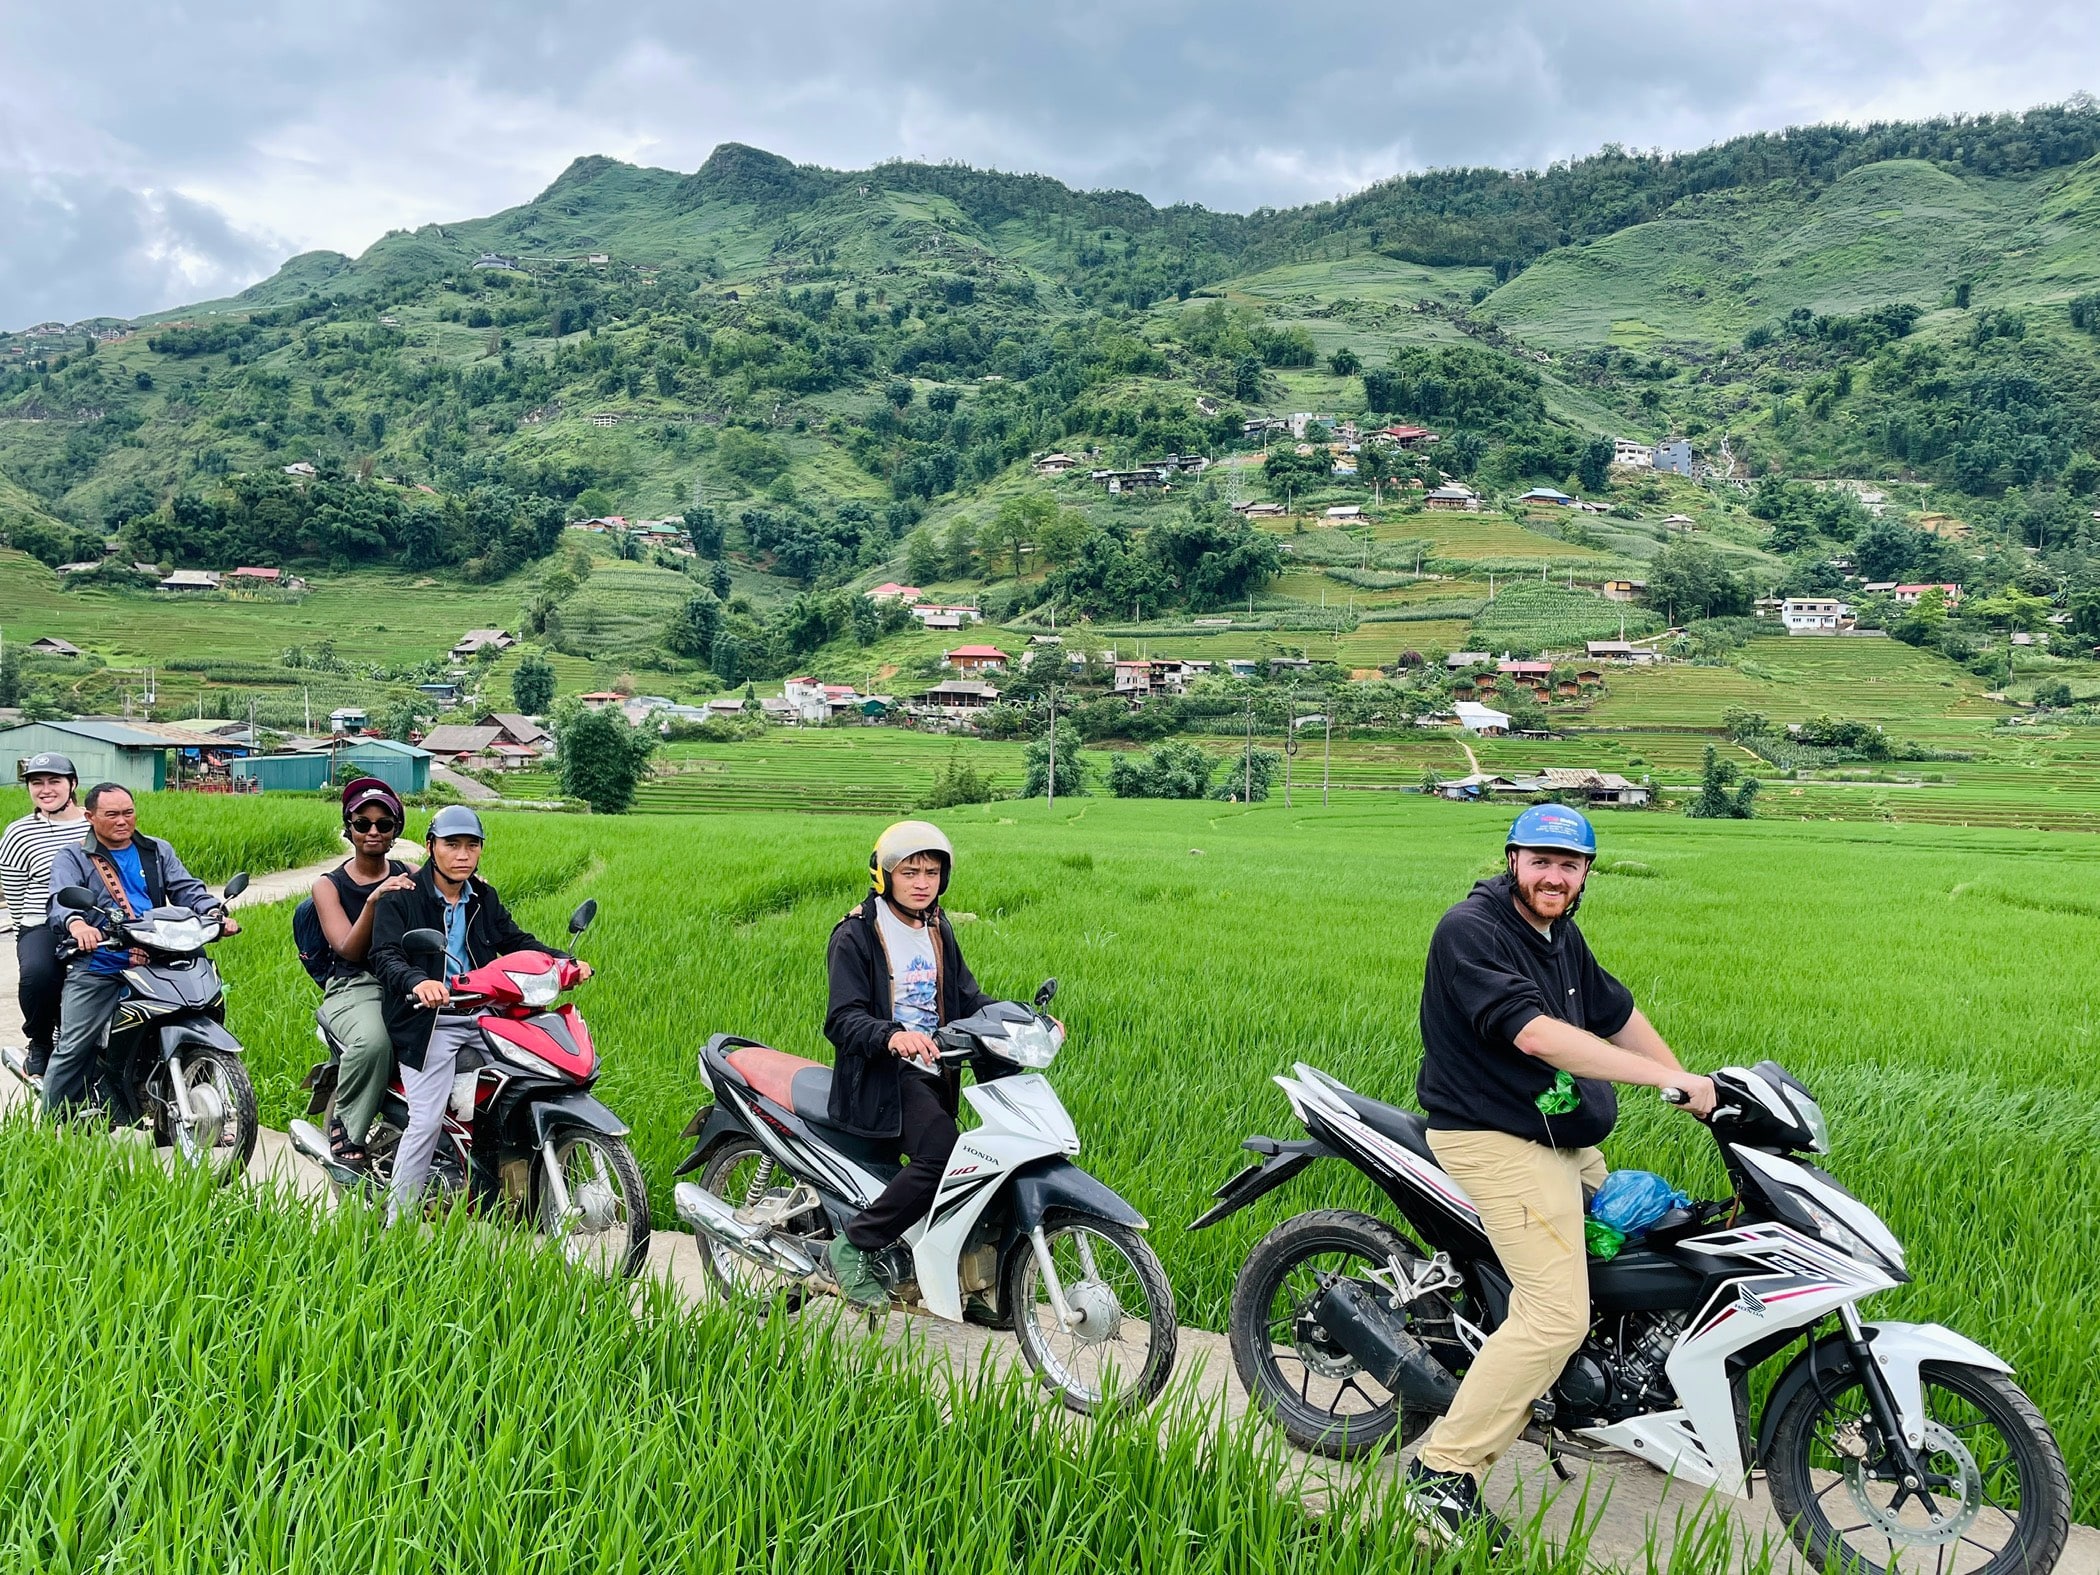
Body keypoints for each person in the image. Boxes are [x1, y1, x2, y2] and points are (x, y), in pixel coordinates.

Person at [1401, 804, 1716, 1546]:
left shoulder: (1559, 933)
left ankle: (1591, 1399)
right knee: (1556, 1311)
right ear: (1512, 858)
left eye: (1568, 864)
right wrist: (1661, 1082)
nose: (1554, 874)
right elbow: (1538, 1034)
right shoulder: (1471, 930)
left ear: (1584, 875)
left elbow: (1615, 1009)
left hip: (1556, 1134)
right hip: (1492, 1137)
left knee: (1635, 1252)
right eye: (1540, 859)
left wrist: (1694, 1084)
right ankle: (1442, 1472)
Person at [367, 805, 585, 1222]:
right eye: (452, 845)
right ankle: (396, 1221)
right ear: (431, 847)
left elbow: (514, 940)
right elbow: (386, 954)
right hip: (429, 1021)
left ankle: (516, 1191)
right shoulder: (401, 897)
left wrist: (562, 962)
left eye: (472, 845)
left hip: (488, 1015)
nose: (463, 855)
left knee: (536, 1080)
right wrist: (418, 982)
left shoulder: (483, 896)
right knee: (427, 1119)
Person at [821, 820, 993, 1308]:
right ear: (884, 875)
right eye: (910, 871)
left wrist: (1019, 1019)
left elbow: (966, 997)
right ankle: (854, 1245)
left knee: (991, 1158)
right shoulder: (856, 934)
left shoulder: (937, 927)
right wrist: (893, 1036)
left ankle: (963, 1269)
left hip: (936, 1072)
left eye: (932, 872)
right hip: (882, 1077)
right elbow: (842, 1019)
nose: (922, 882)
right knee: (943, 1155)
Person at [44, 783, 240, 1116]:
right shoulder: (73, 856)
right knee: (75, 1045)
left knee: (201, 1009)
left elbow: (187, 889)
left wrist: (213, 913)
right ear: (90, 817)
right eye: (112, 815)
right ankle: (49, 1125)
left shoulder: (156, 850)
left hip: (160, 955)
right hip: (104, 960)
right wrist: (78, 925)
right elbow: (60, 899)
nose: (122, 821)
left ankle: (198, 1100)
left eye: (128, 812)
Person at [310, 778, 417, 1170]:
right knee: (375, 1042)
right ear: (349, 828)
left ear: (395, 831)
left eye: (383, 824)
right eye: (363, 823)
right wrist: (375, 900)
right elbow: (348, 948)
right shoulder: (328, 886)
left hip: (407, 978)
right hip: (355, 984)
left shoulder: (410, 871)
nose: (373, 831)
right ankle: (348, 1125)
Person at [1, 753, 88, 1079]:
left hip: (95, 919)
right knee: (38, 975)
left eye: (54, 782)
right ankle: (40, 1042)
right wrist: (32, 928)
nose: (45, 789)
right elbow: (15, 890)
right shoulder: (19, 833)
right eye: (37, 783)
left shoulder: (96, 824)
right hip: (40, 921)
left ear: (72, 785)